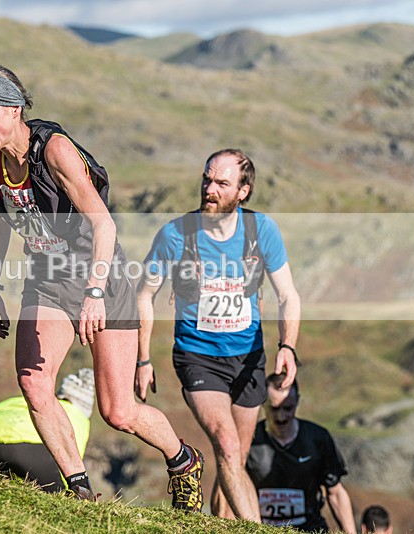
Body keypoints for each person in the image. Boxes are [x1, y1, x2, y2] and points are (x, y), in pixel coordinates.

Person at [0, 64, 204, 509]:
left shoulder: (55, 151)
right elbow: (0, 222)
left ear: (14, 109)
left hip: (102, 278)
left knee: (118, 412)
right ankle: (81, 493)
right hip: (46, 282)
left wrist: (94, 293)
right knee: (34, 385)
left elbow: (103, 224)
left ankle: (183, 461)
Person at [136, 148, 301, 521]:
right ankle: (257, 529)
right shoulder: (176, 235)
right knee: (225, 445)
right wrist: (142, 358)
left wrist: (287, 346)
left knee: (236, 457)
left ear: (243, 191)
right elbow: (144, 295)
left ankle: (222, 525)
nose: (209, 189)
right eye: (206, 179)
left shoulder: (262, 231)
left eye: (222, 183)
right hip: (198, 356)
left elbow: (288, 295)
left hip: (248, 357)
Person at [246, 374, 356, 532]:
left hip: (309, 528)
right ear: (263, 402)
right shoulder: (248, 439)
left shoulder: (318, 438)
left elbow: (336, 492)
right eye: (274, 409)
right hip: (261, 529)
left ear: (297, 400)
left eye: (287, 408)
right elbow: (230, 484)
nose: (281, 417)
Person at [0, 369, 95, 493]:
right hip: (34, 455)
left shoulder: (23, 401)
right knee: (59, 499)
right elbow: (70, 459)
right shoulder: (79, 419)